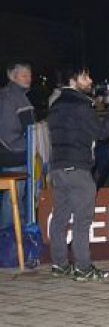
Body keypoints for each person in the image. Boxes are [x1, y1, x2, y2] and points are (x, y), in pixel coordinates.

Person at [47, 69, 109, 280]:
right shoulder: (80, 104)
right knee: (82, 220)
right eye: (84, 77)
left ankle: (60, 264)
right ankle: (83, 266)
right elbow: (101, 134)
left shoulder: (56, 104)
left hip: (58, 167)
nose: (90, 81)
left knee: (60, 217)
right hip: (78, 168)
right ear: (72, 80)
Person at [0, 62, 35, 229]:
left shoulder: (15, 95)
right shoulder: (12, 97)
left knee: (16, 198)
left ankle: (17, 235)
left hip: (16, 154)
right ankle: (9, 237)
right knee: (13, 199)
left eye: (29, 75)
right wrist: (28, 146)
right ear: (13, 77)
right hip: (15, 156)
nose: (28, 79)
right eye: (24, 75)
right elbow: (10, 132)